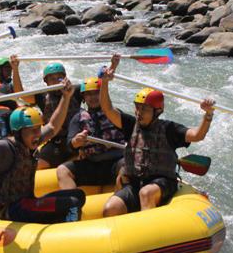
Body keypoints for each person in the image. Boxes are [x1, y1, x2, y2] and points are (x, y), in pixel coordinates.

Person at [98, 65, 216, 217]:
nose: (139, 113)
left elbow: (197, 135)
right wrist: (105, 82)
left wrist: (207, 115)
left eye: (144, 109)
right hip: (135, 184)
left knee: (146, 193)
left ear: (157, 112)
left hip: (163, 183)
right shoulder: (130, 125)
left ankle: (147, 236)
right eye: (137, 108)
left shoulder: (170, 129)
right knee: (110, 208)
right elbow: (107, 109)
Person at [0, 79, 85, 223]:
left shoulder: (31, 142)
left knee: (79, 195)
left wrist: (66, 97)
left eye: (38, 129)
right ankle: (69, 230)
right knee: (71, 202)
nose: (37, 134)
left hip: (29, 202)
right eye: (33, 131)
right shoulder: (5, 147)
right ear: (18, 132)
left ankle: (61, 221)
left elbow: (53, 126)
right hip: (12, 209)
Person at [56, 60, 126, 189]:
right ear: (83, 98)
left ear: (102, 94)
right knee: (62, 170)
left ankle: (121, 201)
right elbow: (70, 145)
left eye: (96, 93)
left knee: (127, 168)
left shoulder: (115, 114)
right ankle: (72, 207)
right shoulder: (78, 118)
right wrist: (77, 141)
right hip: (92, 164)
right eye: (88, 94)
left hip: (117, 162)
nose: (92, 97)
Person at [12, 62, 82, 169]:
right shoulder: (42, 95)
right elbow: (20, 94)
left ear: (65, 78)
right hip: (57, 141)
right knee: (37, 165)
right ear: (46, 81)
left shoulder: (76, 90)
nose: (56, 81)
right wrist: (15, 68)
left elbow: (95, 91)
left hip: (76, 139)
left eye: (60, 77)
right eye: (52, 79)